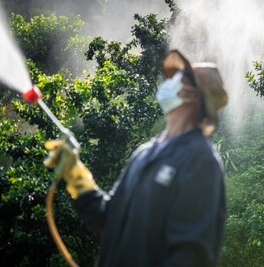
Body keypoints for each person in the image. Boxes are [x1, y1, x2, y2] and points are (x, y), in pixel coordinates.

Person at [44, 49, 229, 267]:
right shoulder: (145, 152)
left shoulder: (201, 160)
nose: (167, 82)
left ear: (191, 94)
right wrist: (77, 176)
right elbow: (110, 220)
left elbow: (190, 257)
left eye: (177, 79)